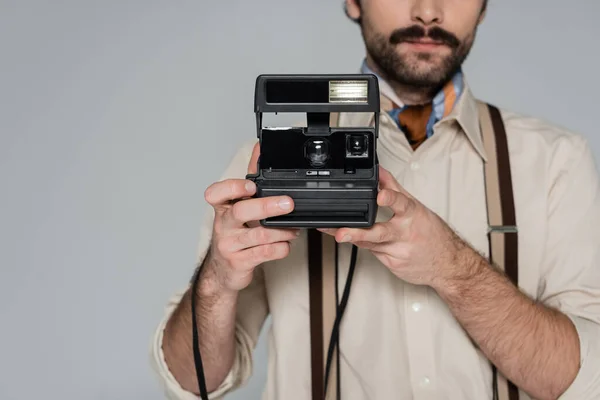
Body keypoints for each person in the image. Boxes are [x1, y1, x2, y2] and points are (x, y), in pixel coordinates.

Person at [150, 0, 600, 399]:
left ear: (485, 5)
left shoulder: (555, 161)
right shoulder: (265, 166)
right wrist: (215, 281)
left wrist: (452, 267)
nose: (428, 11)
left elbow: (585, 381)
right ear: (352, 1)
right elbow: (194, 384)